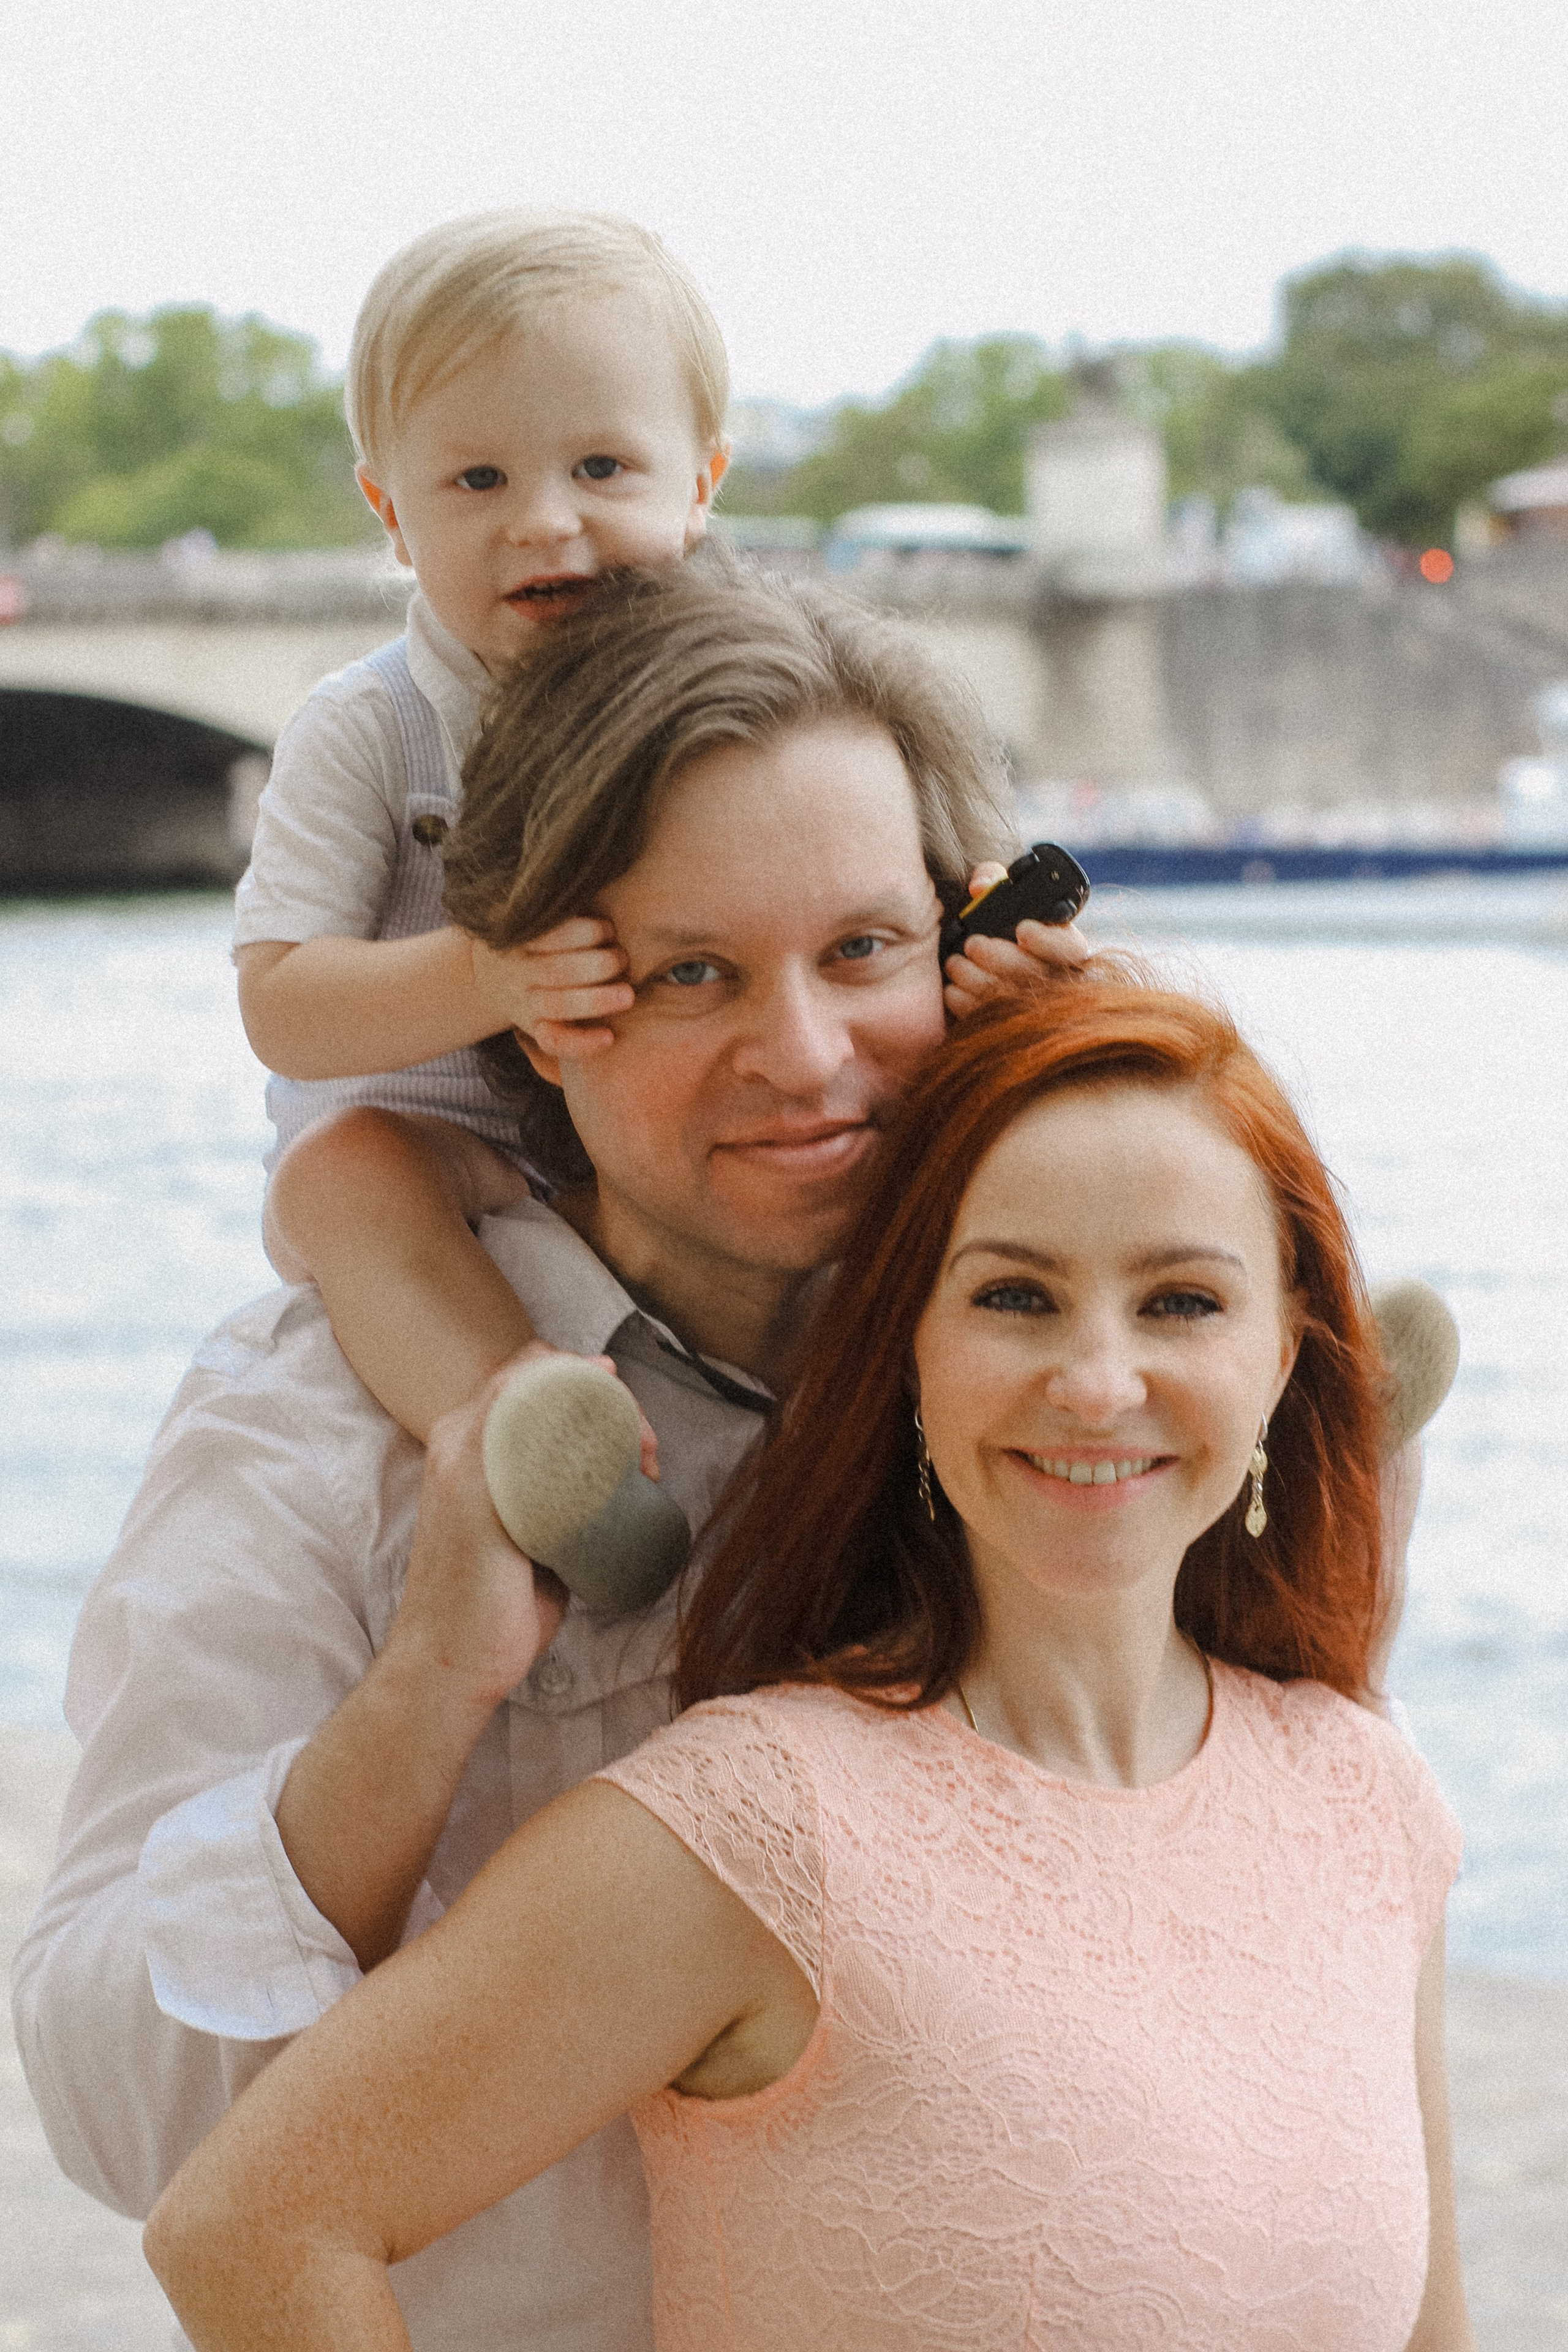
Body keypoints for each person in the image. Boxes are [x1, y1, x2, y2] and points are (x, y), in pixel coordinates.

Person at [13, 567, 1074, 2350]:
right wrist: (429, 1690)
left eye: (866, 950)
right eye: (686, 973)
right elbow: (134, 2123)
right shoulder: (319, 1432)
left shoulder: (1059, 1389)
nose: (805, 1058)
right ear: (524, 1009)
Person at [141, 973, 1474, 2352]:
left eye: (1181, 1303)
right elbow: (251, 2231)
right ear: (909, 1348)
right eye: (1014, 1295)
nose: (1093, 1379)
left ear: (1286, 1354)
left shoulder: (1366, 1802)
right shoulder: (759, 1825)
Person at [235, 205, 733, 1452]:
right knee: (341, 1176)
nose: (543, 520)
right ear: (390, 515)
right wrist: (484, 975)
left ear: (700, 486)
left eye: (602, 470)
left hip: (639, 1156)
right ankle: (527, 1442)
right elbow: (282, 1007)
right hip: (425, 1155)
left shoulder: (746, 705)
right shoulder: (365, 730)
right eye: (477, 480)